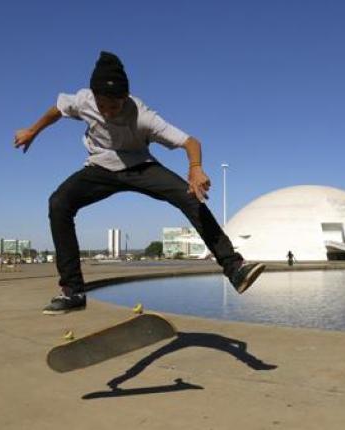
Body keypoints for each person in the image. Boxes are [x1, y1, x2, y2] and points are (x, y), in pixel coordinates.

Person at [14, 52, 265, 315]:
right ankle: (73, 291)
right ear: (94, 97)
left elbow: (191, 142)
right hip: (100, 167)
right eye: (103, 106)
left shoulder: (143, 116)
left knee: (190, 196)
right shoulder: (83, 100)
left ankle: (234, 268)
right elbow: (57, 109)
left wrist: (195, 169)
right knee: (59, 203)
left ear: (125, 98)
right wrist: (33, 130)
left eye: (116, 106)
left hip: (140, 166)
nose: (109, 113)